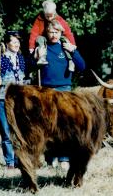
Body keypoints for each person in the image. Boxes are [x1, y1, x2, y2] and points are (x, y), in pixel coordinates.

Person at [36, 20, 86, 169]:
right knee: (48, 126)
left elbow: (82, 67)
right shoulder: (42, 47)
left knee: (65, 126)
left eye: (56, 32)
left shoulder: (65, 48)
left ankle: (64, 158)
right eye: (51, 32)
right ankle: (50, 159)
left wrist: (73, 51)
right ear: (47, 33)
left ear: (61, 33)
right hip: (46, 91)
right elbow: (30, 67)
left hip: (64, 90)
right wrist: (36, 58)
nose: (53, 35)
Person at [0, 31, 26, 169]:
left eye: (18, 42)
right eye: (13, 42)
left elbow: (22, 77)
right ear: (7, 44)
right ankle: (10, 162)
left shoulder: (21, 58)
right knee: (6, 131)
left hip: (19, 100)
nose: (16, 44)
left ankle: (18, 159)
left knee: (19, 131)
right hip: (3, 98)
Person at [29, 0, 76, 65]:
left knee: (65, 40)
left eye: (51, 16)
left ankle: (70, 60)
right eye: (47, 16)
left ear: (55, 12)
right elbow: (34, 33)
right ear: (44, 13)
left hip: (56, 39)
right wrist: (31, 46)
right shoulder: (39, 19)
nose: (49, 18)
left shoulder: (59, 19)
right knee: (40, 39)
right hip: (43, 39)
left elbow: (68, 32)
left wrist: (73, 44)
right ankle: (42, 58)